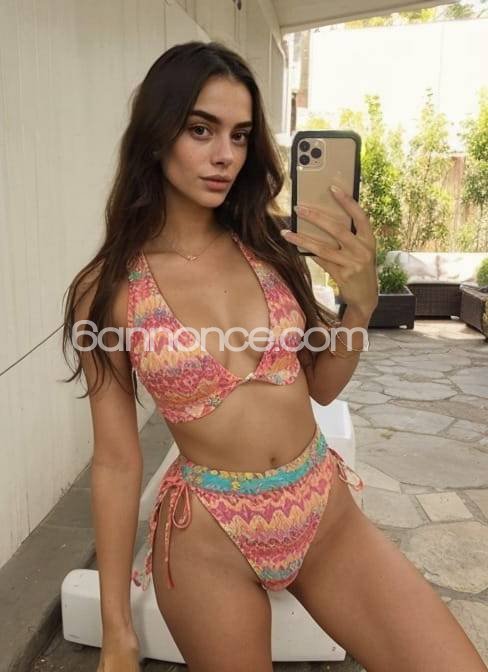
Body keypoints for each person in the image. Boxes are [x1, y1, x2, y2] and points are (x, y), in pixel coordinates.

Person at [62, 41, 488, 672]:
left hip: (320, 510)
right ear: (155, 135)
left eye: (239, 135)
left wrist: (360, 308)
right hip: (208, 538)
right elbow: (118, 461)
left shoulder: (269, 248)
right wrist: (116, 629)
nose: (225, 155)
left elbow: (321, 386)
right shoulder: (110, 289)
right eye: (200, 129)